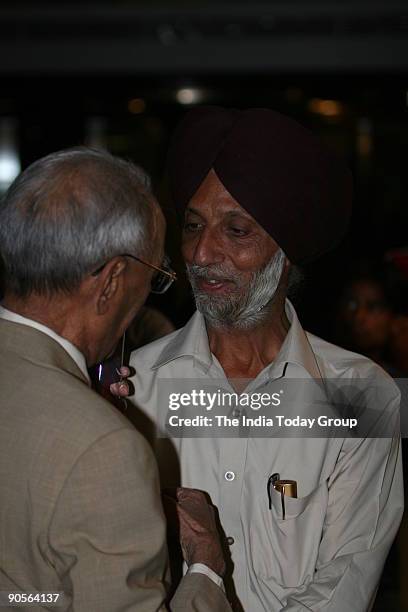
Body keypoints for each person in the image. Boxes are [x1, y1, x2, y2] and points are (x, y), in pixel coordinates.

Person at [125, 107, 404, 611]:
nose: (203, 254)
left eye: (237, 231)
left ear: (286, 250)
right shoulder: (135, 386)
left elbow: (347, 581)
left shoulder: (361, 393)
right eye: (193, 225)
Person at [0, 148, 232, 611]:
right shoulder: (104, 447)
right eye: (155, 277)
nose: (148, 297)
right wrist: (206, 567)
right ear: (110, 282)